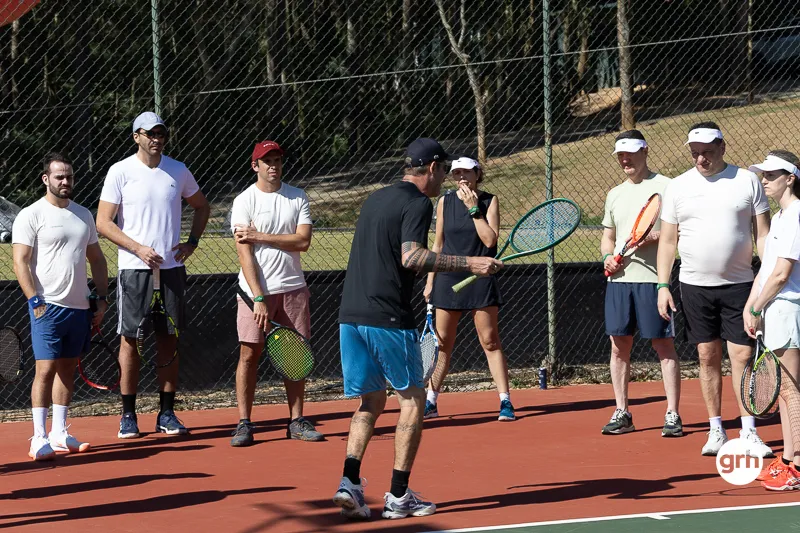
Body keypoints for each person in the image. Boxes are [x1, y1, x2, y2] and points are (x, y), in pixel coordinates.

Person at [332, 138, 503, 520]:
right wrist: (471, 263)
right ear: (432, 168)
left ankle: (349, 483)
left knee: (370, 403)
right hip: (387, 318)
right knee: (412, 401)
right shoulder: (419, 203)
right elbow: (412, 256)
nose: (445, 179)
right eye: (444, 171)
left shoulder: (374, 199)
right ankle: (398, 496)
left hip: (351, 316)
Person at [657, 121, 772, 457]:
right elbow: (668, 241)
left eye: (707, 152)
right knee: (707, 356)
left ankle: (748, 431)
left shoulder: (747, 180)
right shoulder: (677, 186)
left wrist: (766, 277)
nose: (701, 159)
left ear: (722, 147)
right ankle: (716, 429)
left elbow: (763, 234)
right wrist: (662, 285)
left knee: (742, 356)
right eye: (695, 153)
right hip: (694, 286)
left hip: (741, 286)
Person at [96, 112, 210, 439]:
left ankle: (167, 413)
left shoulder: (178, 170)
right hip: (134, 271)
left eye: (161, 133)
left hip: (172, 270)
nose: (157, 139)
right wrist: (138, 248)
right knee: (130, 339)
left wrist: (192, 242)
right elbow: (103, 222)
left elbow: (202, 206)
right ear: (137, 137)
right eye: (150, 134)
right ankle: (128, 416)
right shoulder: (120, 171)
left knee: (169, 339)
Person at [12, 152, 109, 460]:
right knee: (45, 370)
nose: (66, 181)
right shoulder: (30, 215)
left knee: (67, 370)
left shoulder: (83, 215)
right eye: (59, 176)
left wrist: (102, 298)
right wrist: (34, 300)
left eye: (69, 176)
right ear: (46, 179)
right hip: (47, 307)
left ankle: (59, 433)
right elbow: (20, 261)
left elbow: (97, 259)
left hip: (79, 308)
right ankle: (38, 438)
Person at [228, 140, 322, 446]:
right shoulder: (244, 201)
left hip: (293, 289)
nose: (273, 166)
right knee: (248, 355)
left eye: (277, 160)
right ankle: (244, 423)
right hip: (254, 293)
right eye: (267, 161)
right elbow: (244, 253)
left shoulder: (298, 197)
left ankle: (296, 421)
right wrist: (258, 297)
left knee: (294, 356)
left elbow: (303, 242)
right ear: (255, 165)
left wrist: (261, 235)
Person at [600, 130, 682, 437]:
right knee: (618, 347)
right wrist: (607, 257)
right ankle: (622, 412)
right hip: (619, 283)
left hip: (653, 281)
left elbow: (680, 230)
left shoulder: (668, 187)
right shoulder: (614, 194)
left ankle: (672, 414)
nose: (625, 160)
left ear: (645, 151)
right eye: (620, 155)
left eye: (631, 154)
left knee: (663, 345)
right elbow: (608, 237)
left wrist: (653, 236)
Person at [423, 156, 514, 422]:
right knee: (442, 344)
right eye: (456, 173)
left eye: (467, 172)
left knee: (490, 341)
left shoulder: (490, 201)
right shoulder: (444, 202)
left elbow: (490, 241)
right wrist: (430, 281)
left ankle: (505, 401)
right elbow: (438, 245)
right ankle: (431, 402)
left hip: (481, 277)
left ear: (477, 174)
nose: (461, 177)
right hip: (448, 278)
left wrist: (473, 208)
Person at [744, 151, 800, 490]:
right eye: (762, 174)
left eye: (771, 175)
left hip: (788, 308)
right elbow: (765, 271)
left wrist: (757, 308)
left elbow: (781, 275)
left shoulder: (796, 215)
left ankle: (798, 465)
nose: (764, 180)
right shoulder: (779, 217)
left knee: (793, 390)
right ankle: (788, 460)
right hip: (773, 309)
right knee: (784, 391)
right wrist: (752, 304)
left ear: (790, 178)